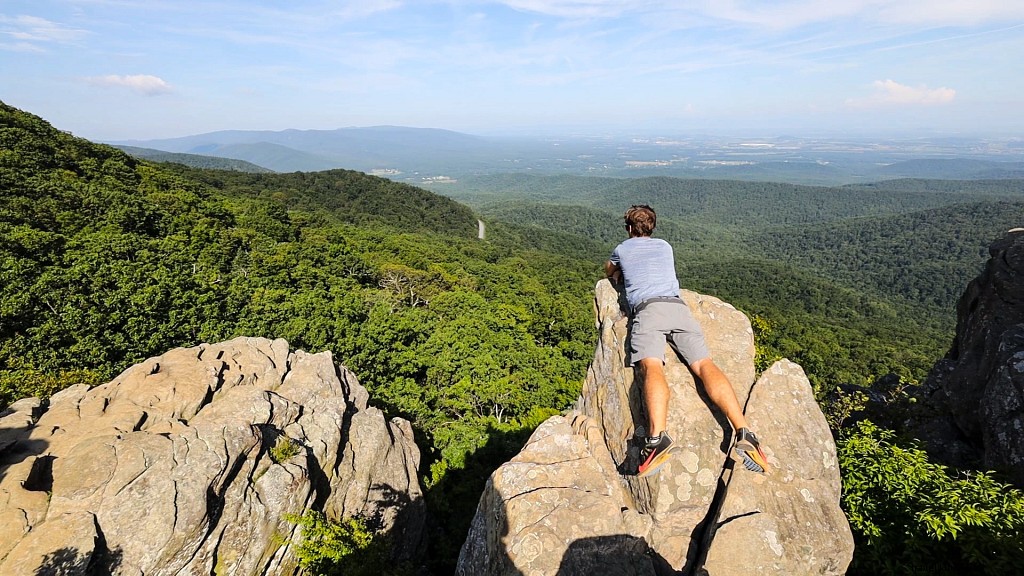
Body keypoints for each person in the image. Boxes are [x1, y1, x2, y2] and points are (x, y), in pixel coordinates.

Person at [604, 205, 769, 477]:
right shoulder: (665, 246)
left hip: (649, 310)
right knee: (704, 364)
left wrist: (617, 274)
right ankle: (744, 431)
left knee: (652, 366)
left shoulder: (623, 249)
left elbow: (608, 269)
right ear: (652, 227)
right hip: (678, 308)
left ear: (630, 228)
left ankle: (657, 440)